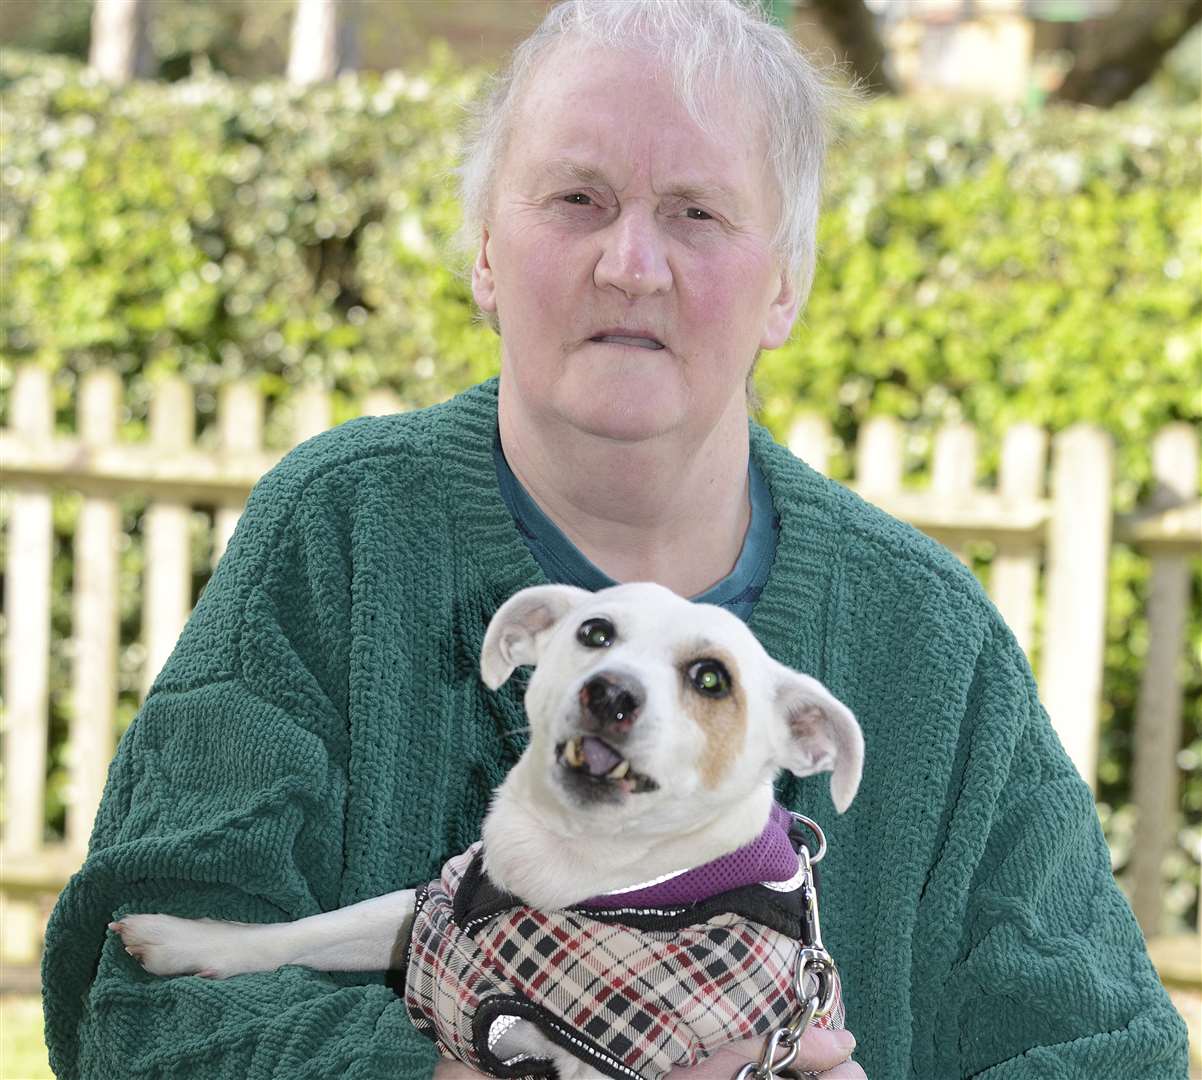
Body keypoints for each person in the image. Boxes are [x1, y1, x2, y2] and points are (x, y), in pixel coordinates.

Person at [41, 2, 1187, 1078]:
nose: (631, 264)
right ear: (485, 252)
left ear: (784, 284)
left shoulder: (927, 643)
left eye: (696, 211)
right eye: (576, 199)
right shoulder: (342, 536)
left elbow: (1110, 1055)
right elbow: (134, 1004)